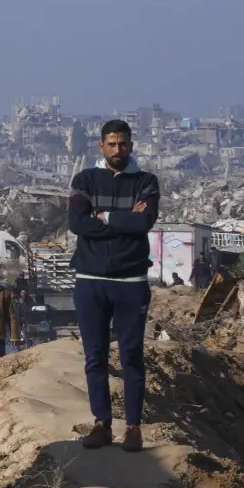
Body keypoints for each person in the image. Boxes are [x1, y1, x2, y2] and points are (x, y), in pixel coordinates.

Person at [68, 119, 159, 453]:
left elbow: (145, 221)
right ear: (101, 146)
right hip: (91, 280)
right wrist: (122, 220)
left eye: (123, 144)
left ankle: (133, 427)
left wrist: (102, 217)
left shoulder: (146, 182)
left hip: (130, 280)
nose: (118, 150)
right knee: (95, 356)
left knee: (131, 354)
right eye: (112, 144)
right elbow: (77, 223)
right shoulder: (85, 180)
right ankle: (102, 423)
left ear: (131, 146)